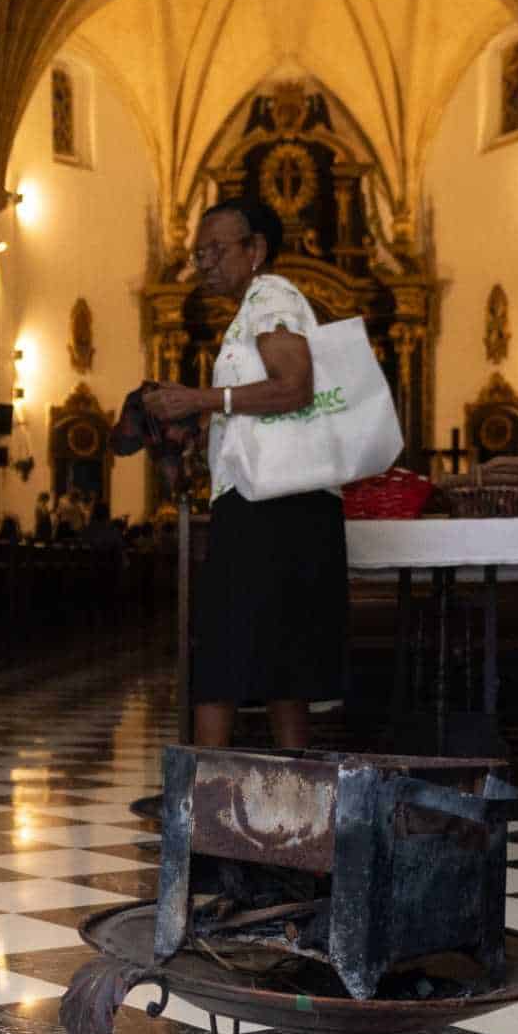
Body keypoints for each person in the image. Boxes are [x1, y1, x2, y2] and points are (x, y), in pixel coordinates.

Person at [142, 195, 344, 751]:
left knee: (224, 653)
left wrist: (197, 399)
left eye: (215, 250)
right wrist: (202, 424)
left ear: (255, 249)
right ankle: (289, 798)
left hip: (274, 506)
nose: (203, 262)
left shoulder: (272, 295)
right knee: (282, 665)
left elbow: (294, 386)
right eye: (197, 252)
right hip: (271, 501)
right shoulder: (252, 308)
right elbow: (259, 404)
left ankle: (202, 798)